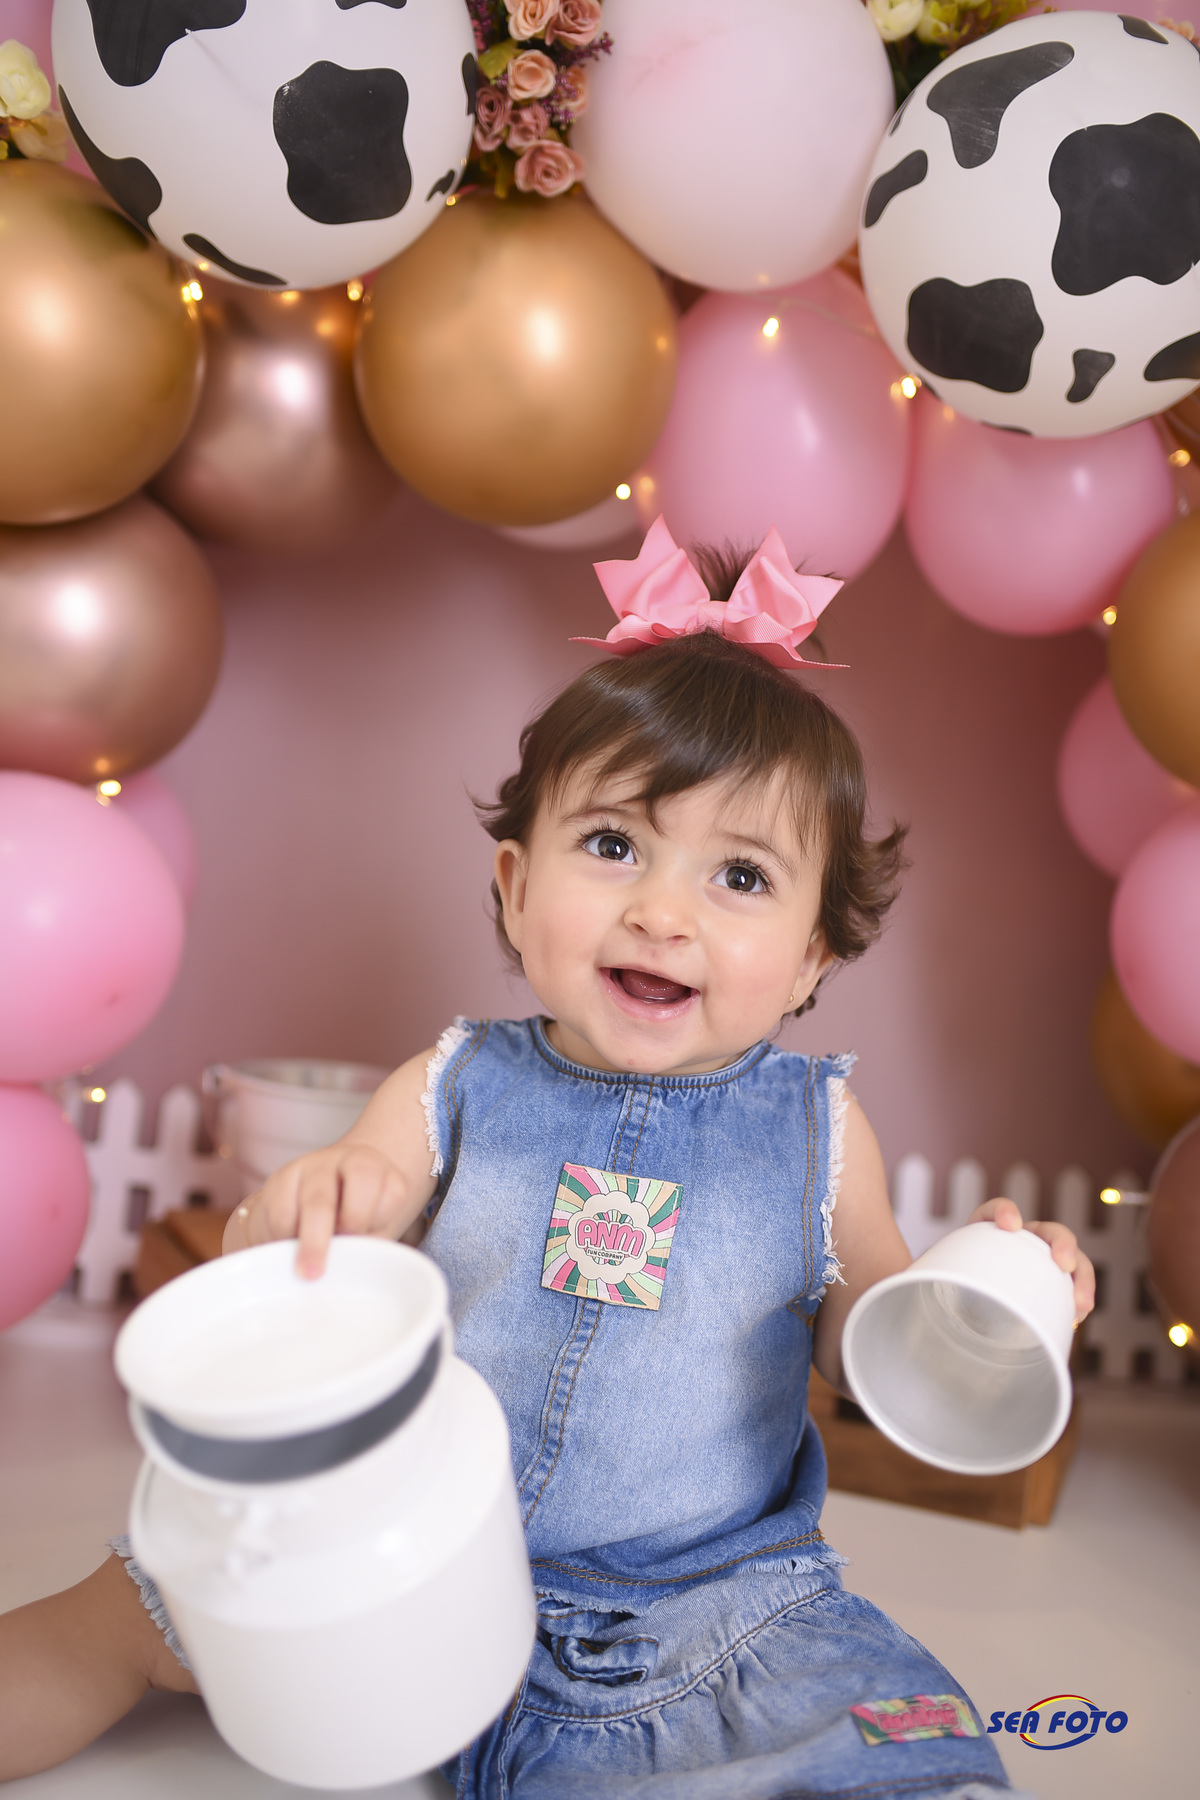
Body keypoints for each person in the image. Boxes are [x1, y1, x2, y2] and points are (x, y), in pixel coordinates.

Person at [0, 519, 1093, 1798]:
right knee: (132, 1602)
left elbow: (867, 1349)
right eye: (615, 845)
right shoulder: (454, 1082)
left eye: (741, 876)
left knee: (891, 1732)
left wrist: (970, 1309)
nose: (662, 911)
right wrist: (311, 1203)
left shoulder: (817, 1130)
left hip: (700, 1599)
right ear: (516, 887)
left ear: (811, 958)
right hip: (402, 1553)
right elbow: (305, 1226)